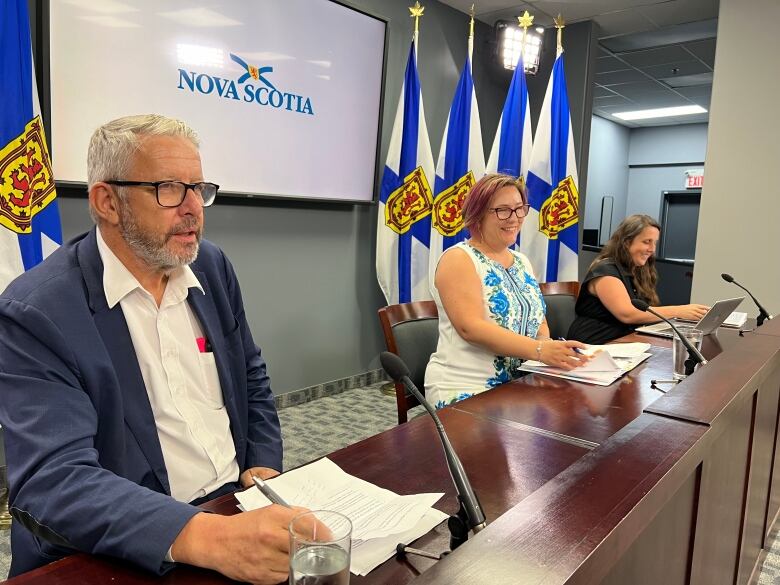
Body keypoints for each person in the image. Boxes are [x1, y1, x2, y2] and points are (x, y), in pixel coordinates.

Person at [0, 114, 314, 583]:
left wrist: (264, 464)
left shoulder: (211, 266)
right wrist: (207, 536)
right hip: (129, 542)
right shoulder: (36, 312)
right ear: (107, 201)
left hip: (235, 504)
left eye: (198, 188)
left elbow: (251, 373)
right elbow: (54, 480)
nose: (193, 208)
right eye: (169, 188)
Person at [424, 173, 588, 408]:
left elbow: (538, 319)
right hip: (466, 384)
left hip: (521, 382)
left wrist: (549, 347)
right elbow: (470, 328)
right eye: (502, 210)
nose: (515, 218)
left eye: (520, 209)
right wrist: (541, 350)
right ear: (478, 214)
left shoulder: (522, 261)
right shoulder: (459, 259)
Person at [567, 214, 709, 345]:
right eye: (647, 242)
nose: (652, 249)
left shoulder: (638, 269)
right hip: (595, 343)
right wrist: (679, 311)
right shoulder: (605, 270)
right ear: (626, 242)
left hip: (625, 341)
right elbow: (627, 314)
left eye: (655, 243)